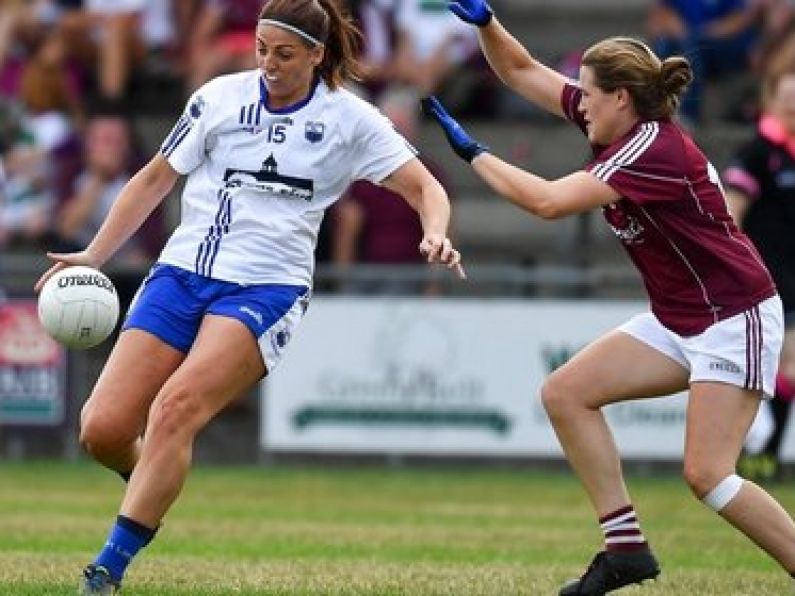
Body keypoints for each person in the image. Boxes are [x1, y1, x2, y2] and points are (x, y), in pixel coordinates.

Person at [33, 1, 464, 593]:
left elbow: (426, 188)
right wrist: (93, 254)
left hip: (268, 286)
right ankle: (156, 477)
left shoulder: (350, 120)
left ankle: (107, 568)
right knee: (102, 430)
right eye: (262, 49)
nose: (268, 63)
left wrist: (435, 232)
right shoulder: (218, 97)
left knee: (176, 409)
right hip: (180, 272)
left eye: (284, 54)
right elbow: (157, 177)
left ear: (316, 55)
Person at [423, 1, 795, 594]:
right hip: (681, 320)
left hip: (734, 316)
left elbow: (546, 202)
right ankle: (625, 550)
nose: (579, 102)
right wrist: (486, 23)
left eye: (589, 94)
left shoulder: (649, 149)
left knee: (708, 475)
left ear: (621, 97)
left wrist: (473, 155)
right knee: (566, 393)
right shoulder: (612, 118)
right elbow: (520, 72)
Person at [724, 66, 795, 482]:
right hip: (763, 279)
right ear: (772, 101)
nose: (792, 104)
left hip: (793, 276)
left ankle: (761, 456)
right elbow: (732, 213)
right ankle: (755, 455)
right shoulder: (757, 152)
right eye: (786, 96)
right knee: (774, 370)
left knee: (784, 372)